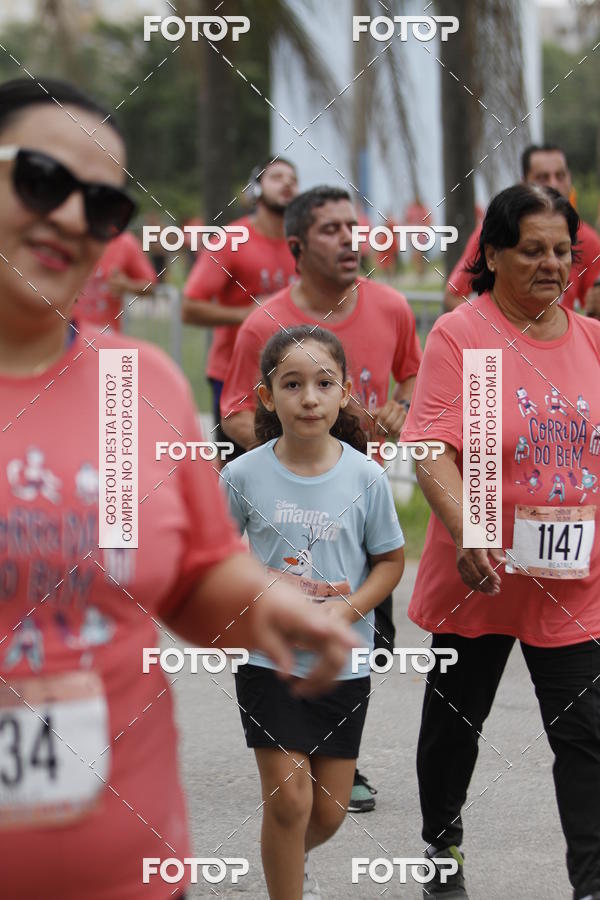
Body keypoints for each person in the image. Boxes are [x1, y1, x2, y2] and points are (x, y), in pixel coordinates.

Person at [0, 77, 355, 900]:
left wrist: (272, 607)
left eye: (103, 205)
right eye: (43, 181)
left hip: (132, 873)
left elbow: (193, 574)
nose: (71, 219)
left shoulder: (134, 387)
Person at [402, 183, 600, 900]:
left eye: (563, 251)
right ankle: (442, 850)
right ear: (491, 254)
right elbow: (429, 445)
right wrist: (469, 528)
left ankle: (591, 885)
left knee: (587, 735)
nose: (552, 265)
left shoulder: (592, 342)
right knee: (454, 729)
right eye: (533, 250)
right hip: (478, 575)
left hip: (574, 583)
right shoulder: (465, 334)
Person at [220, 184, 422, 810]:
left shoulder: (391, 307)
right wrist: (296, 460)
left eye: (355, 228)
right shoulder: (263, 322)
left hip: (361, 506)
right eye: (333, 230)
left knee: (367, 637)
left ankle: (336, 750)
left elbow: (412, 375)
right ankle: (298, 754)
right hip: (290, 502)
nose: (350, 239)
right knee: (291, 637)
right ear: (299, 245)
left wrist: (399, 406)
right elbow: (233, 412)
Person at [221, 325, 405, 899]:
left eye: (324, 383)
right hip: (268, 658)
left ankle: (282, 864)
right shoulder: (243, 475)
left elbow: (390, 564)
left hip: (341, 663)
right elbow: (219, 561)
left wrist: (342, 613)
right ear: (267, 396)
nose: (309, 397)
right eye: (293, 384)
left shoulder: (366, 477)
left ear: (345, 393)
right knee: (289, 799)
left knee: (325, 812)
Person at [182, 158, 299, 453]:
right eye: (276, 177)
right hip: (233, 375)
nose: (287, 183)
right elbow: (189, 307)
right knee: (239, 471)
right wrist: (247, 315)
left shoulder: (303, 243)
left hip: (294, 376)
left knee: (293, 464)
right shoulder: (232, 239)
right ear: (256, 189)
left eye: (293, 179)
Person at [444, 143, 600, 313]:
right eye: (531, 251)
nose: (553, 184)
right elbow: (454, 296)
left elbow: (592, 307)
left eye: (561, 251)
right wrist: (498, 331)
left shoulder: (589, 240)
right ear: (524, 183)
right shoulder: (495, 231)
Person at [75, 229, 158, 331]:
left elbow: (150, 285)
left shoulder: (124, 241)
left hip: (105, 334)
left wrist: (127, 286)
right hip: (64, 336)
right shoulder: (68, 234)